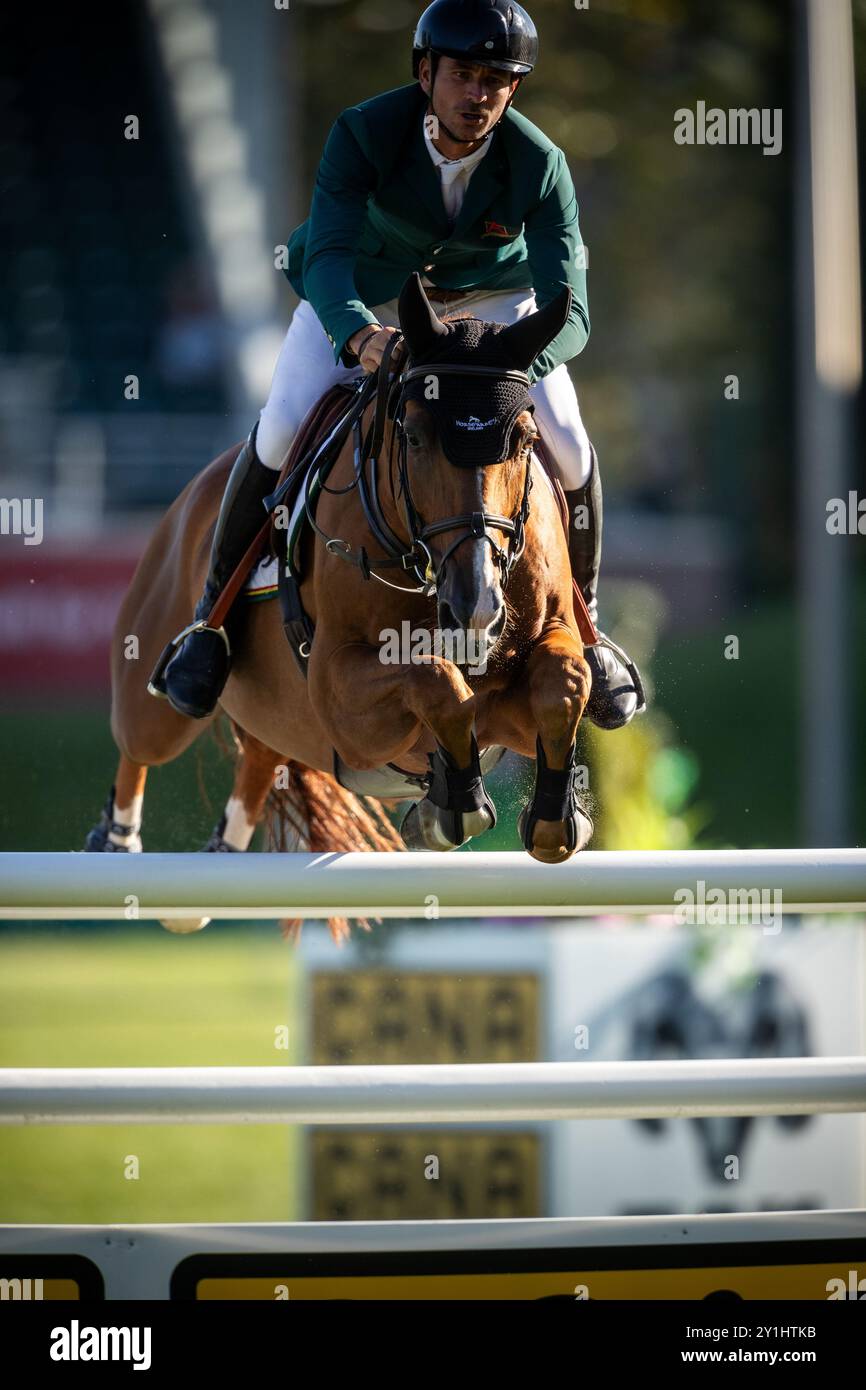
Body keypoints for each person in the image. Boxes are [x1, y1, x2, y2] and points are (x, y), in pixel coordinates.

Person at [160, 0, 642, 731]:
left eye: (496, 79)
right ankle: (212, 622)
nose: (478, 93)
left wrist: (512, 368)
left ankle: (590, 627)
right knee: (282, 427)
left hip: (496, 311)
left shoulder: (540, 163)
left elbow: (569, 311)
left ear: (513, 90)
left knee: (570, 445)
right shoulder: (364, 132)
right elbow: (322, 257)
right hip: (369, 296)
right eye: (463, 74)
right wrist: (356, 336)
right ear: (426, 72)